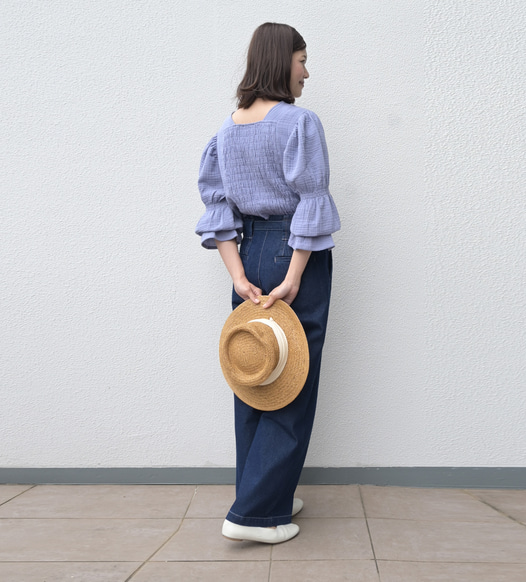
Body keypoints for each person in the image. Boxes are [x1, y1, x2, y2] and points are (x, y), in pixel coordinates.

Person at [196, 22, 340, 544]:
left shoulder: (228, 129)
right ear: (283, 62)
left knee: (255, 373)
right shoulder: (300, 123)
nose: (307, 71)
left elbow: (219, 210)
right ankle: (256, 515)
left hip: (249, 256)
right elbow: (310, 202)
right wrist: (296, 273)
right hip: (293, 253)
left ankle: (264, 491)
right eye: (303, 59)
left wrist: (237, 275)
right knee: (292, 377)